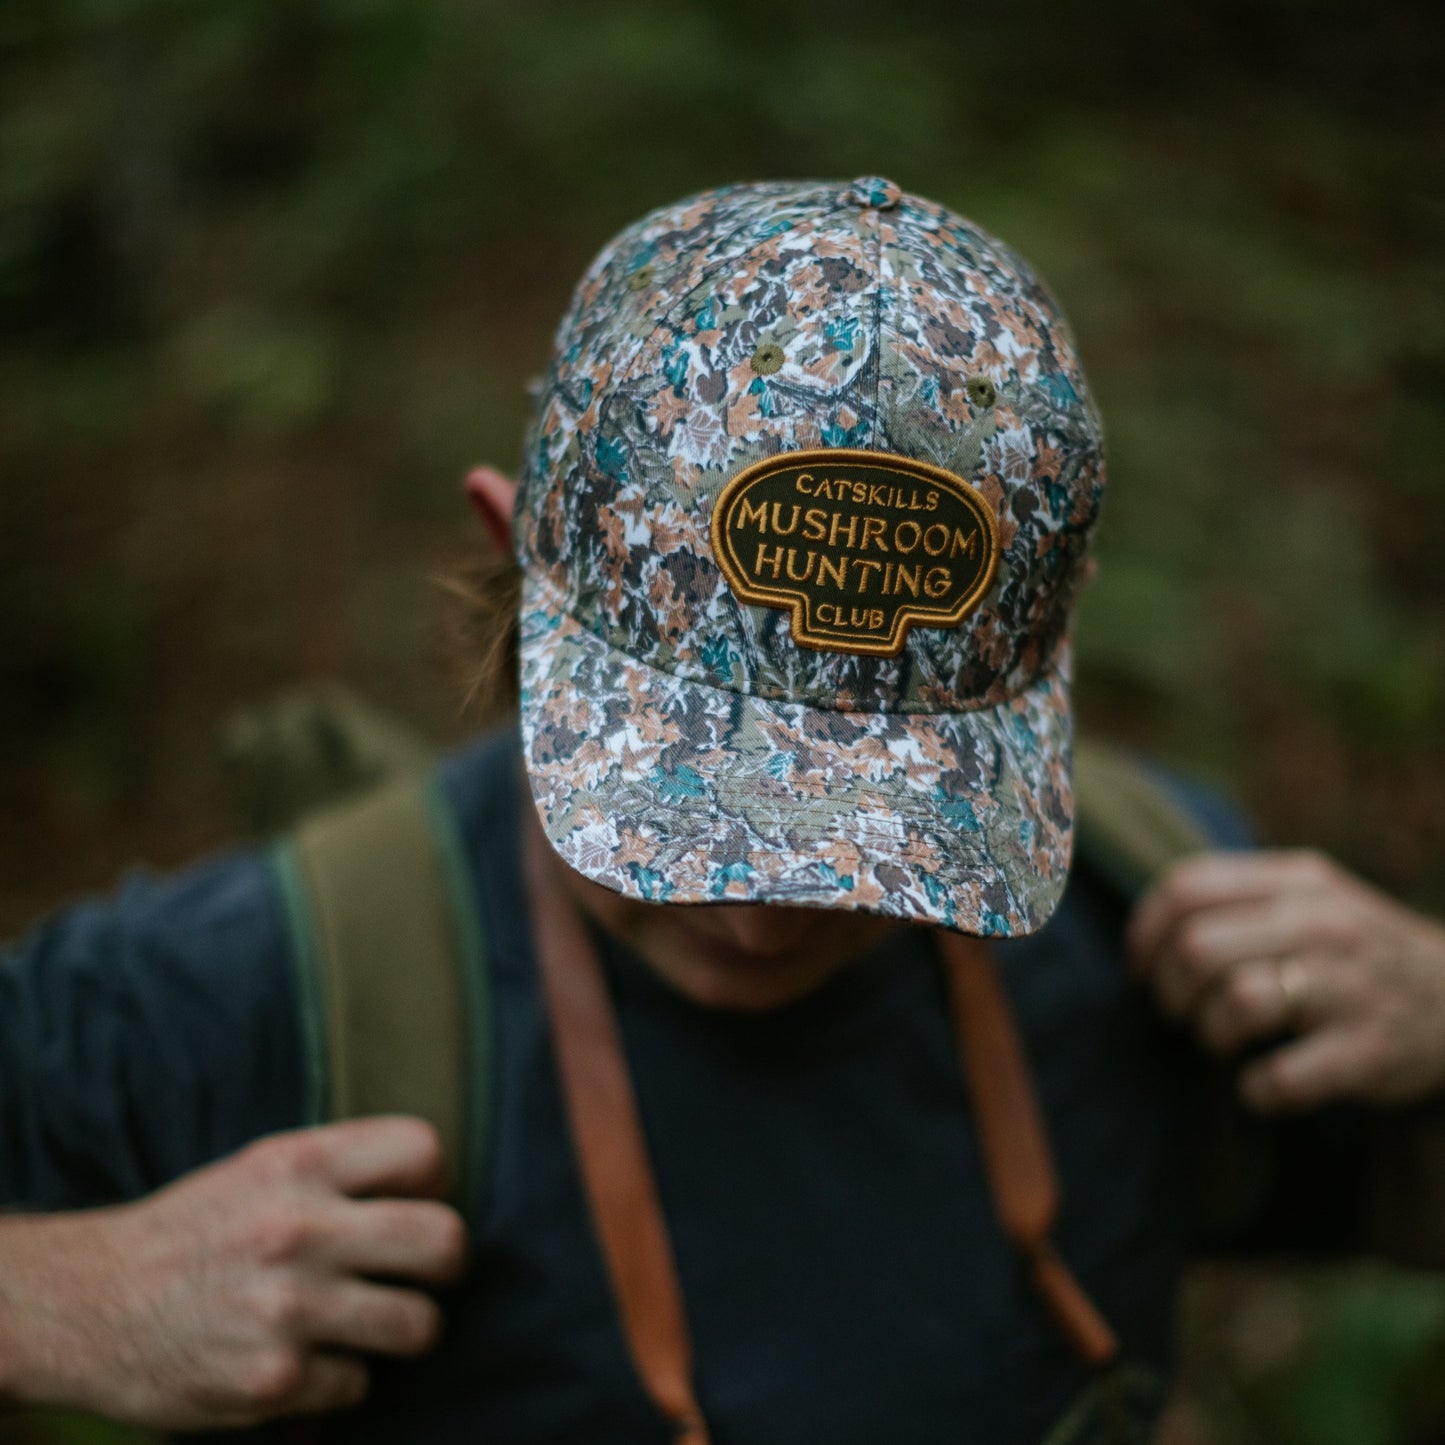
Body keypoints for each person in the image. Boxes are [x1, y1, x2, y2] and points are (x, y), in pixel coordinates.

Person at [2, 177, 1444, 1445]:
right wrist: (67, 1302)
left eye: (884, 823)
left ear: (1032, 693)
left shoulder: (1162, 922)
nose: (759, 909)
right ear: (514, 559)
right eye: (678, 795)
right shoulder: (246, 996)